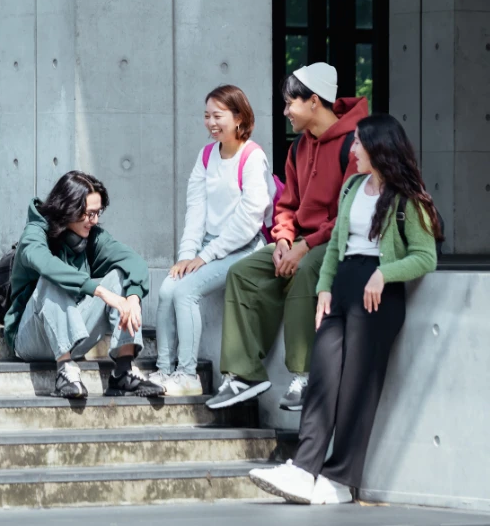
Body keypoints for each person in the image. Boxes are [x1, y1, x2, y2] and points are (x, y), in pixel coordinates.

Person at [248, 113, 441, 505]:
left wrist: (385, 273)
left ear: (378, 148)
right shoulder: (353, 187)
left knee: (357, 388)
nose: (352, 150)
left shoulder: (408, 199)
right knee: (322, 379)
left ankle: (339, 479)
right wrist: (323, 288)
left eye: (358, 143)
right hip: (342, 287)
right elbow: (337, 244)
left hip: (378, 296)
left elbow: (426, 257)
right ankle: (304, 469)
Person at [206, 62, 368, 412]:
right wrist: (282, 240)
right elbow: (287, 206)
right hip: (299, 240)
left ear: (314, 101)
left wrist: (304, 246)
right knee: (242, 273)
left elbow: (349, 214)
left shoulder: (354, 145)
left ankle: (306, 376)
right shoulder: (298, 149)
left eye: (289, 103)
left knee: (305, 271)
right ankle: (244, 374)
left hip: (338, 241)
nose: (285, 111)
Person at [149, 85, 275, 396]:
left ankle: (188, 375)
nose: (210, 123)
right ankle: (164, 371)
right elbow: (196, 210)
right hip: (208, 246)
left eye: (218, 116)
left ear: (239, 117)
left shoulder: (252, 157)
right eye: (207, 116)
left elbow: (249, 219)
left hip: (244, 247)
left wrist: (205, 256)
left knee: (186, 292)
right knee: (167, 289)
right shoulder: (206, 156)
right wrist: (187, 254)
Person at [4, 170, 164, 399]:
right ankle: (65, 373)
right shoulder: (35, 233)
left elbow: (134, 261)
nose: (95, 220)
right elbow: (45, 263)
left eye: (98, 213)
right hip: (31, 339)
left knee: (120, 277)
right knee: (52, 278)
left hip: (74, 335)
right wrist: (99, 291)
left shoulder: (93, 237)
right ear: (69, 208)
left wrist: (133, 298)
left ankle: (124, 371)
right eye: (90, 214)